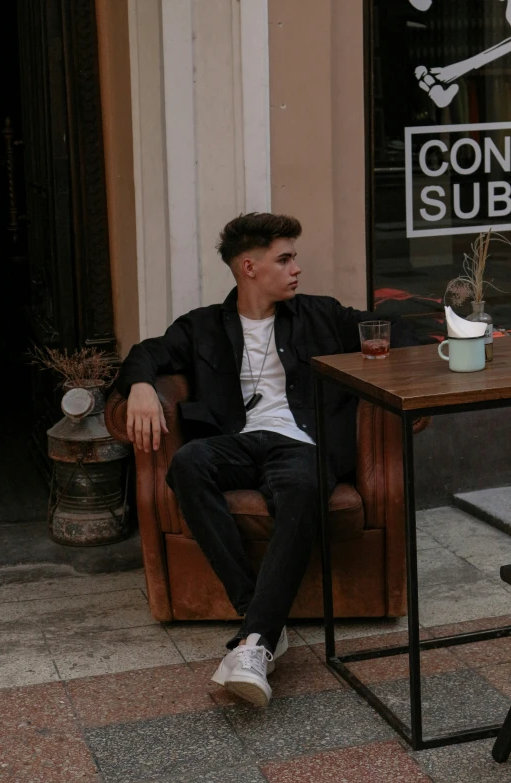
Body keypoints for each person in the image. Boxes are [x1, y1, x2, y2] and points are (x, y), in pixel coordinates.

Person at [115, 212, 417, 707]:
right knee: (188, 462)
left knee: (303, 486)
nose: (296, 267)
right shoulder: (203, 327)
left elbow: (392, 328)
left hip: (302, 445)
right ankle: (263, 619)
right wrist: (142, 386)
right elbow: (145, 352)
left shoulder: (321, 314)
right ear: (250, 267)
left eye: (294, 257)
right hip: (236, 441)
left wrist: (458, 340)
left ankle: (254, 640)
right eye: (285, 258)